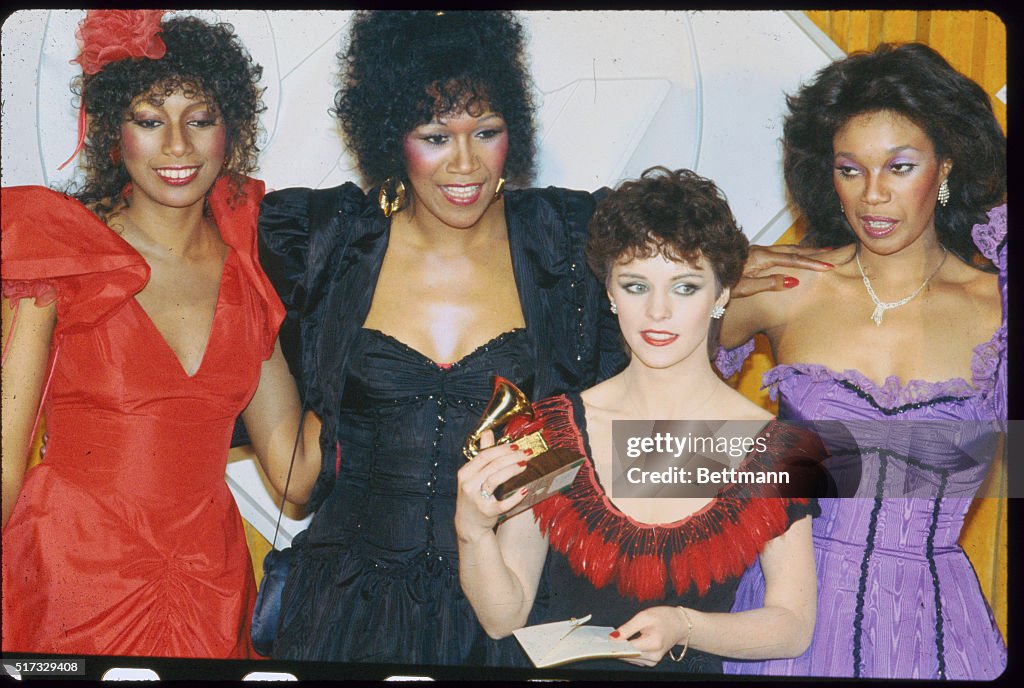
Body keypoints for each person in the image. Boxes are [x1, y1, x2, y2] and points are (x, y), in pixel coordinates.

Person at [258, 10, 829, 666]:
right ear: (392, 136)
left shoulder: (564, 238)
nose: (465, 162)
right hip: (346, 607)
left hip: (506, 604)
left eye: (488, 132)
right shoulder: (329, 242)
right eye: (435, 135)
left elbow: (674, 263)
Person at [2, 11, 319, 658]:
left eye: (199, 120)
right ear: (113, 133)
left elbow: (296, 477)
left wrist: (371, 354)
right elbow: (5, 460)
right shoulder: (62, 249)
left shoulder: (248, 266)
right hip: (74, 581)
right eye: (150, 120)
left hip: (211, 583)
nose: (177, 145)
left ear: (230, 132)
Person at [455, 167, 826, 673]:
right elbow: (504, 617)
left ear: (722, 295)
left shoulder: (778, 449)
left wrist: (684, 625)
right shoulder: (550, 430)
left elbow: (791, 625)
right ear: (608, 291)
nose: (657, 312)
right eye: (635, 285)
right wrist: (472, 531)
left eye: (685, 287)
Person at [717, 42, 1007, 680]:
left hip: (933, 633)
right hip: (783, 621)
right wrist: (709, 280)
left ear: (947, 165)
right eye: (850, 170)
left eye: (899, 167)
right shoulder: (785, 288)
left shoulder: (999, 307)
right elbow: (637, 404)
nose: (873, 196)